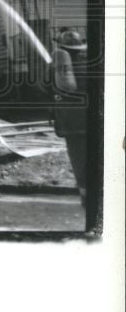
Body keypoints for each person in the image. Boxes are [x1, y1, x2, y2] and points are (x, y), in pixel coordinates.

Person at [52, 28, 89, 206]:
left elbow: (49, 88)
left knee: (79, 161)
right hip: (94, 121)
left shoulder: (62, 64)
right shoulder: (92, 62)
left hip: (72, 125)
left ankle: (85, 197)